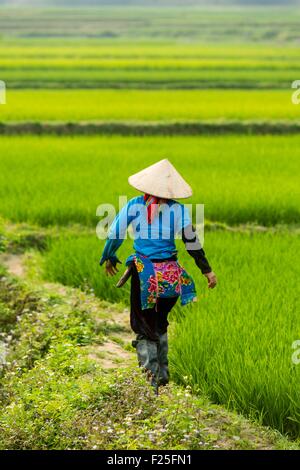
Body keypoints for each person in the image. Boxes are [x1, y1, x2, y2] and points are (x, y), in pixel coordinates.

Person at [100, 159, 217, 392]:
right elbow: (191, 242)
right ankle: (163, 377)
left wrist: (109, 256)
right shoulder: (178, 209)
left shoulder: (135, 205)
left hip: (146, 276)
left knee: (144, 326)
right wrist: (207, 270)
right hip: (172, 278)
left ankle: (148, 384)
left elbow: (115, 233)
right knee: (160, 323)